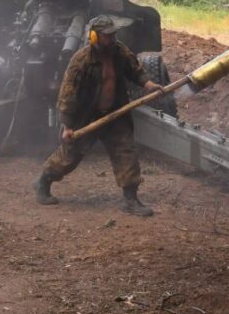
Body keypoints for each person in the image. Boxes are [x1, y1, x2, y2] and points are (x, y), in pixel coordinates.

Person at [33, 15, 161, 216]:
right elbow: (68, 93)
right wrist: (67, 125)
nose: (113, 38)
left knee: (125, 152)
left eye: (114, 34)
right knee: (70, 156)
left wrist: (148, 84)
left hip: (115, 113)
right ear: (93, 37)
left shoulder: (119, 51)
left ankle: (131, 199)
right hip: (87, 116)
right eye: (107, 35)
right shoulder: (81, 60)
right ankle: (43, 181)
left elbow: (135, 69)